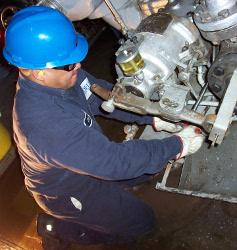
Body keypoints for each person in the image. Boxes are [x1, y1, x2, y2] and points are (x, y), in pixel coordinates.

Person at [3, 6, 204, 249]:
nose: (78, 66)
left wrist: (150, 117)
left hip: (84, 162)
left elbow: (104, 97)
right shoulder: (44, 124)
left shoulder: (63, 75)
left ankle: (113, 200)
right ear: (38, 73)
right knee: (142, 223)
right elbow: (114, 162)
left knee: (145, 170)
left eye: (76, 58)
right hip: (68, 190)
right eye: (69, 64)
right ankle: (62, 229)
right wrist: (178, 145)